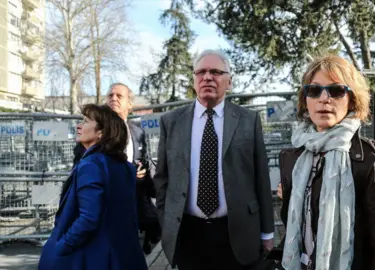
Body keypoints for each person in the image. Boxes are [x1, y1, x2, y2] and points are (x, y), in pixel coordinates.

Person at [277, 55, 375, 270]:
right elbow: (295, 223)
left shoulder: (371, 161)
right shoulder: (293, 158)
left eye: (336, 90)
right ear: (305, 100)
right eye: (314, 90)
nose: (324, 98)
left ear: (352, 99)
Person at [153, 49, 275, 270]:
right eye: (201, 72)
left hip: (237, 232)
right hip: (188, 234)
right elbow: (162, 179)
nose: (207, 77)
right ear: (194, 80)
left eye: (216, 72)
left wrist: (267, 231)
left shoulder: (248, 120)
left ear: (229, 82)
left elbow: (261, 179)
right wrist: (167, 221)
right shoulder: (171, 122)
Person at [38, 104, 147, 270]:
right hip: (123, 255)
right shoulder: (124, 166)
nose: (79, 125)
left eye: (87, 121)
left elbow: (88, 218)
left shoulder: (92, 164)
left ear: (101, 133)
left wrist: (59, 247)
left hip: (94, 257)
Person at [73, 83, 160, 254]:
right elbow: (80, 172)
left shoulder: (138, 132)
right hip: (103, 217)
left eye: (119, 96)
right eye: (110, 95)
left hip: (135, 214)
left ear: (130, 104)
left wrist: (142, 175)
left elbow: (144, 164)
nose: (113, 98)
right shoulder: (91, 131)